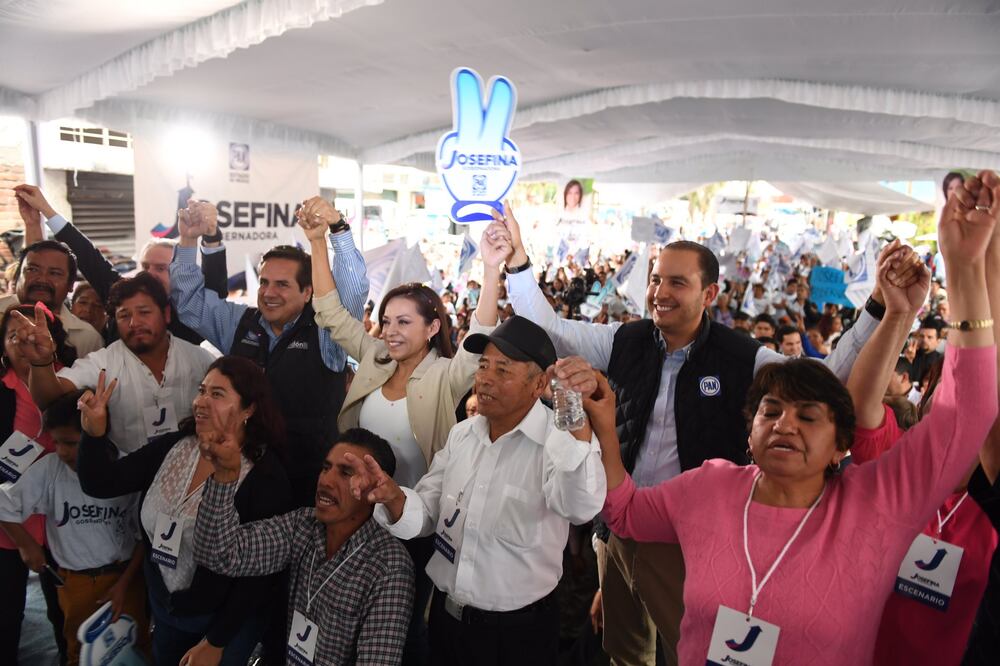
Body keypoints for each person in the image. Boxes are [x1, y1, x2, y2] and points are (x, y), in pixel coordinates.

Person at [584, 170, 1000, 665]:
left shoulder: (875, 505)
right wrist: (606, 431)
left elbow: (967, 413)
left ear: (842, 444)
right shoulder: (710, 488)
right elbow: (626, 512)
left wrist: (966, 270)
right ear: (750, 427)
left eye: (808, 417)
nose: (784, 424)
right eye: (771, 410)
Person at [502, 201, 888, 666]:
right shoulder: (625, 341)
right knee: (625, 654)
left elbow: (829, 377)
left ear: (710, 294)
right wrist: (517, 260)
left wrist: (878, 308)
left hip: (689, 539)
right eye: (656, 279)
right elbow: (549, 330)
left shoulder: (743, 358)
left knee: (695, 653)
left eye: (677, 282)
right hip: (619, 528)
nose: (660, 292)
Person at [301, 206, 505, 664]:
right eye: (387, 320)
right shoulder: (374, 357)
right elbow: (330, 312)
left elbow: (481, 338)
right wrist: (318, 241)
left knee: (400, 632)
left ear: (433, 328)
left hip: (410, 527)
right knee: (345, 622)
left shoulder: (446, 377)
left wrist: (490, 271)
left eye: (404, 322)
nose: (390, 332)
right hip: (353, 518)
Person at [348, 315, 606, 666]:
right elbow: (429, 510)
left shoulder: (558, 442)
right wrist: (394, 497)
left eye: (503, 369)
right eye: (483, 365)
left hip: (516, 638)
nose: (484, 378)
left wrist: (573, 414)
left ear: (539, 383)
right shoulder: (462, 435)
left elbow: (581, 506)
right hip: (446, 621)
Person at [76, 357, 293, 665]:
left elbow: (257, 578)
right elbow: (101, 482)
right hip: (167, 610)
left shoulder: (266, 477)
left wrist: (216, 642)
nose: (201, 402)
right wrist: (94, 434)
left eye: (217, 395)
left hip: (224, 624)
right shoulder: (176, 446)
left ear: (249, 409)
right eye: (201, 391)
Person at [170, 197, 369, 507]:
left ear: (307, 292)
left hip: (305, 489)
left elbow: (353, 291)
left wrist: (337, 229)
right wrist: (188, 239)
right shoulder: (240, 322)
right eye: (264, 282)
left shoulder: (327, 331)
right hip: (242, 483)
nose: (268, 293)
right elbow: (190, 305)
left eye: (282, 285)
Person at [194, 427, 414, 665]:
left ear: (375, 491)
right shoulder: (304, 525)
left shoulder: (389, 568)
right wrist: (225, 476)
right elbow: (220, 554)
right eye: (326, 468)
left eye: (346, 473)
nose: (326, 481)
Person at [0, 391, 150, 665]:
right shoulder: (50, 470)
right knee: (82, 653)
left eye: (70, 442)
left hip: (126, 579)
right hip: (75, 582)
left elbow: (145, 537)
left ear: (98, 432)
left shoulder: (128, 467)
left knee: (133, 647)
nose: (61, 451)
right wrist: (25, 543)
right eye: (56, 442)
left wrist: (124, 584)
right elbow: (4, 503)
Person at [14, 272, 214, 453]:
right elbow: (48, 398)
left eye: (144, 312)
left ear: (166, 313)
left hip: (190, 476)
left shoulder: (200, 359)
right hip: (125, 484)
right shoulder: (104, 362)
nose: (134, 323)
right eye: (124, 316)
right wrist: (41, 362)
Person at [14, 185, 227, 346]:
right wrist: (46, 210)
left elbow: (215, 292)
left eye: (161, 268)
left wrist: (211, 237)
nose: (150, 274)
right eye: (146, 266)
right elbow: (87, 255)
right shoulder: (121, 294)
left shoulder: (193, 314)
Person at [0, 303, 74, 664]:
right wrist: (24, 540)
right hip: (10, 533)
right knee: (6, 619)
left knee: (68, 622)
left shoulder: (71, 383)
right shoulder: (3, 393)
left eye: (31, 335)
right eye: (13, 336)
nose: (22, 342)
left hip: (67, 528)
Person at [0, 238, 103, 358]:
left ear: (70, 285)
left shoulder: (87, 338)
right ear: (17, 277)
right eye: (32, 270)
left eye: (54, 273)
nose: (42, 279)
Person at [912, 317, 945, 388]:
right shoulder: (910, 355)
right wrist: (908, 361)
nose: (924, 340)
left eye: (929, 337)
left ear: (938, 341)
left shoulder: (942, 362)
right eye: (921, 336)